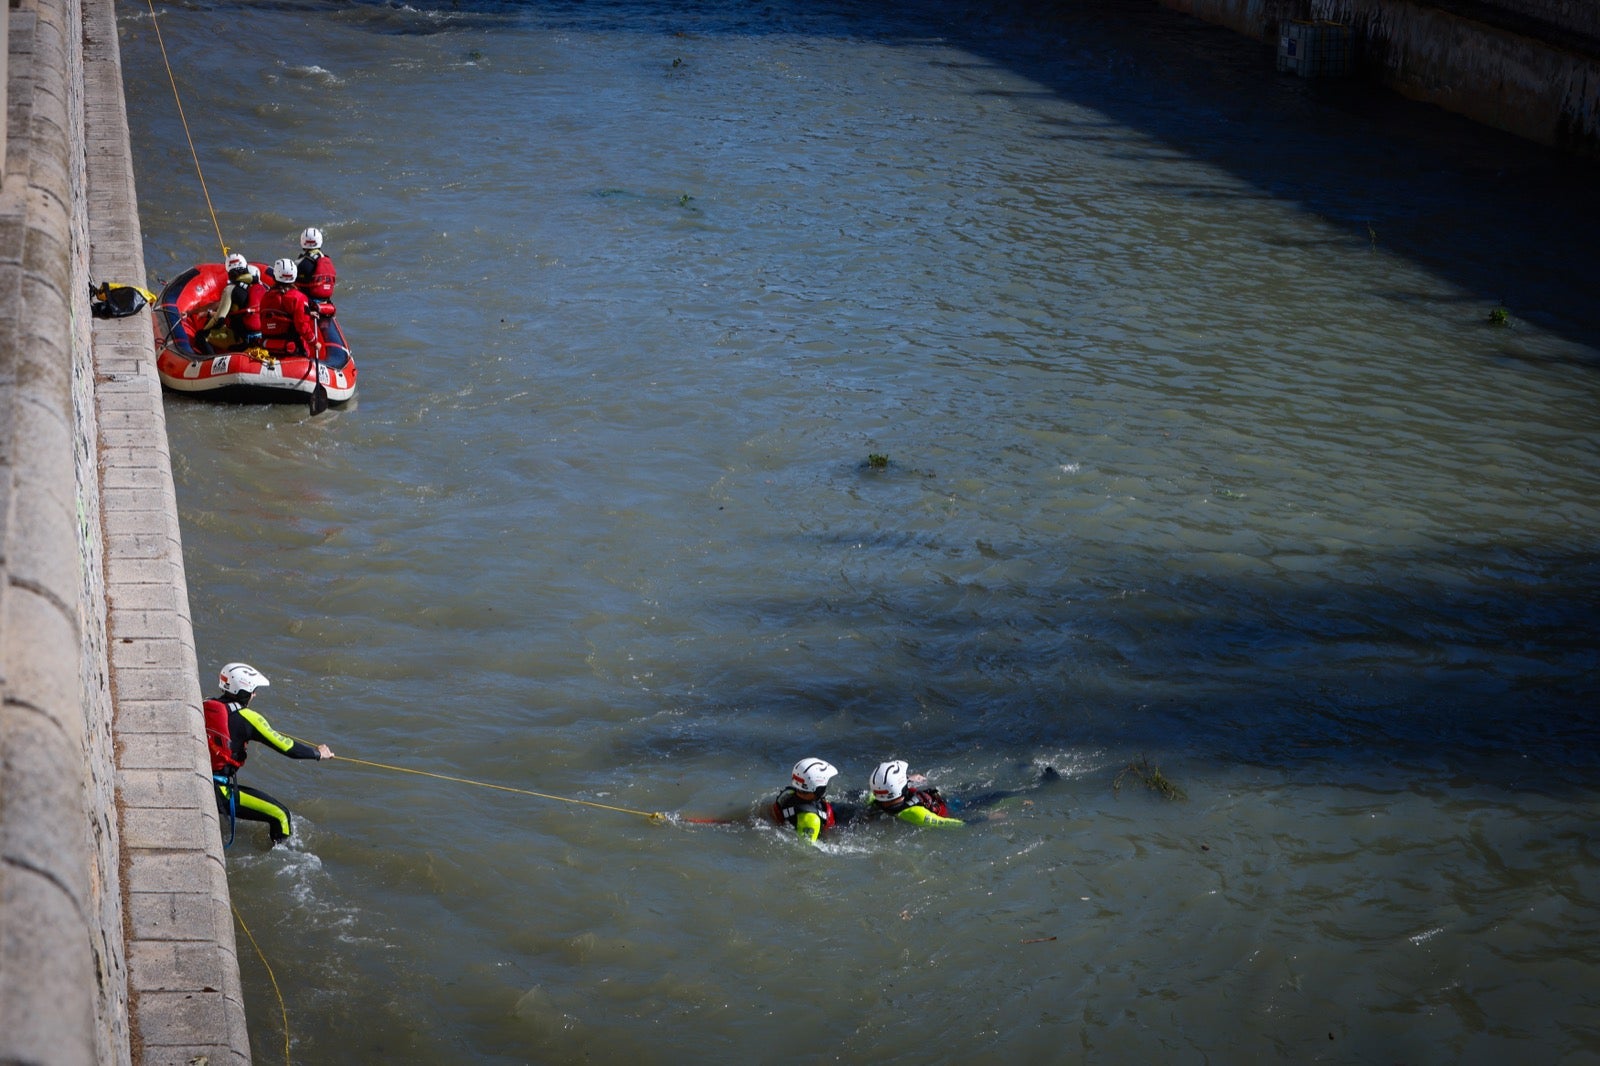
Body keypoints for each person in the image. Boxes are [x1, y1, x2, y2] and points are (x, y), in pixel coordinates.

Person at [204, 662, 334, 845]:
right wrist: (318, 753)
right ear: (245, 691)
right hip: (219, 791)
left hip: (203, 780)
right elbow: (287, 747)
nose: (255, 694)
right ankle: (286, 859)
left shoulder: (207, 705)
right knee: (281, 815)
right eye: (253, 690)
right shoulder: (249, 718)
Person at [865, 760, 966, 828]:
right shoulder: (915, 813)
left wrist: (908, 779)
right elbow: (949, 824)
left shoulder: (874, 798)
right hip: (954, 805)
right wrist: (973, 822)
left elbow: (887, 786)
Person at [200, 253, 264, 353]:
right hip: (262, 337)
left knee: (201, 336)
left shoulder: (230, 289)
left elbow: (219, 319)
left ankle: (210, 362)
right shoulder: (262, 288)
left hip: (241, 340)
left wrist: (206, 329)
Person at [770, 757, 842, 844]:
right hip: (840, 819)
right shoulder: (811, 820)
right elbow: (808, 850)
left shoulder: (788, 794)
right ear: (818, 789)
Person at [263, 257, 322, 360]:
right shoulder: (297, 297)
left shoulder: (266, 296)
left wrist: (307, 313)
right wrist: (314, 342)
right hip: (291, 349)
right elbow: (302, 326)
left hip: (268, 347)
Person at [295, 226, 336, 312]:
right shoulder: (326, 260)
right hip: (326, 301)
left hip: (308, 302)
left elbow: (293, 282)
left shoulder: (302, 262)